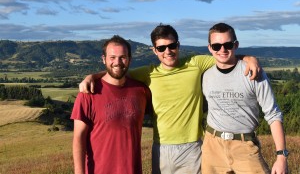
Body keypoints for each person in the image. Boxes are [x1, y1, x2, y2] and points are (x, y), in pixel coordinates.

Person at [79, 24, 261, 174]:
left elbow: (223, 56)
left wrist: (249, 58)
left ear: (178, 45)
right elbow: (117, 71)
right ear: (154, 50)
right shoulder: (147, 73)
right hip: (161, 150)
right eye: (161, 48)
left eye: (172, 46)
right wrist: (93, 76)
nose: (168, 51)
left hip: (192, 148)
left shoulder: (195, 64)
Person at [202, 23, 288, 174]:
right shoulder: (206, 75)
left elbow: (273, 115)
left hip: (244, 145)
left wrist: (281, 157)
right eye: (216, 46)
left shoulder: (253, 73)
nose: (222, 50)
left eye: (227, 44)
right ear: (210, 48)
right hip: (212, 146)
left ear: (236, 45)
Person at [71, 35, 152, 174]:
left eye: (122, 57)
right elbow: (78, 138)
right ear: (104, 59)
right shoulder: (88, 93)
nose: (118, 62)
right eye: (112, 57)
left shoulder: (142, 91)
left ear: (130, 59)